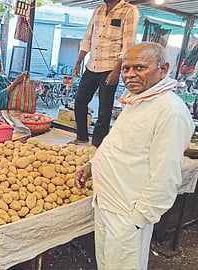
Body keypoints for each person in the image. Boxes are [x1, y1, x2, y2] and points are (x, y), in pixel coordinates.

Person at [75, 42, 194, 270]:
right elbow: (118, 145)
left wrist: (139, 219)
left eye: (139, 68)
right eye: (126, 68)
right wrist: (92, 165)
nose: (130, 74)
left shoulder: (170, 112)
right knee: (106, 264)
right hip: (106, 203)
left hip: (127, 214)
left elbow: (166, 176)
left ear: (163, 68)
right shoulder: (137, 100)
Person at [71, 0, 139, 147]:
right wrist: (78, 62)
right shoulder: (98, 10)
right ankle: (82, 137)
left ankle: (97, 145)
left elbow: (128, 45)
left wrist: (116, 72)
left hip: (110, 67)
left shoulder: (129, 10)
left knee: (104, 110)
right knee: (79, 102)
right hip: (92, 65)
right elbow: (88, 37)